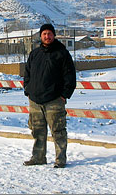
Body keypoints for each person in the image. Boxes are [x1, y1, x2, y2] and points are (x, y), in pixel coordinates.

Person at [23, 23, 76, 168]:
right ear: (41, 36)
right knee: (37, 131)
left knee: (58, 131)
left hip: (54, 100)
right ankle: (38, 157)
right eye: (44, 34)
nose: (47, 36)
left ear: (54, 35)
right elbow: (27, 73)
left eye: (49, 34)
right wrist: (27, 90)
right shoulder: (35, 54)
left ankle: (60, 159)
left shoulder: (62, 53)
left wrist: (64, 95)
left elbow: (70, 76)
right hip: (35, 100)